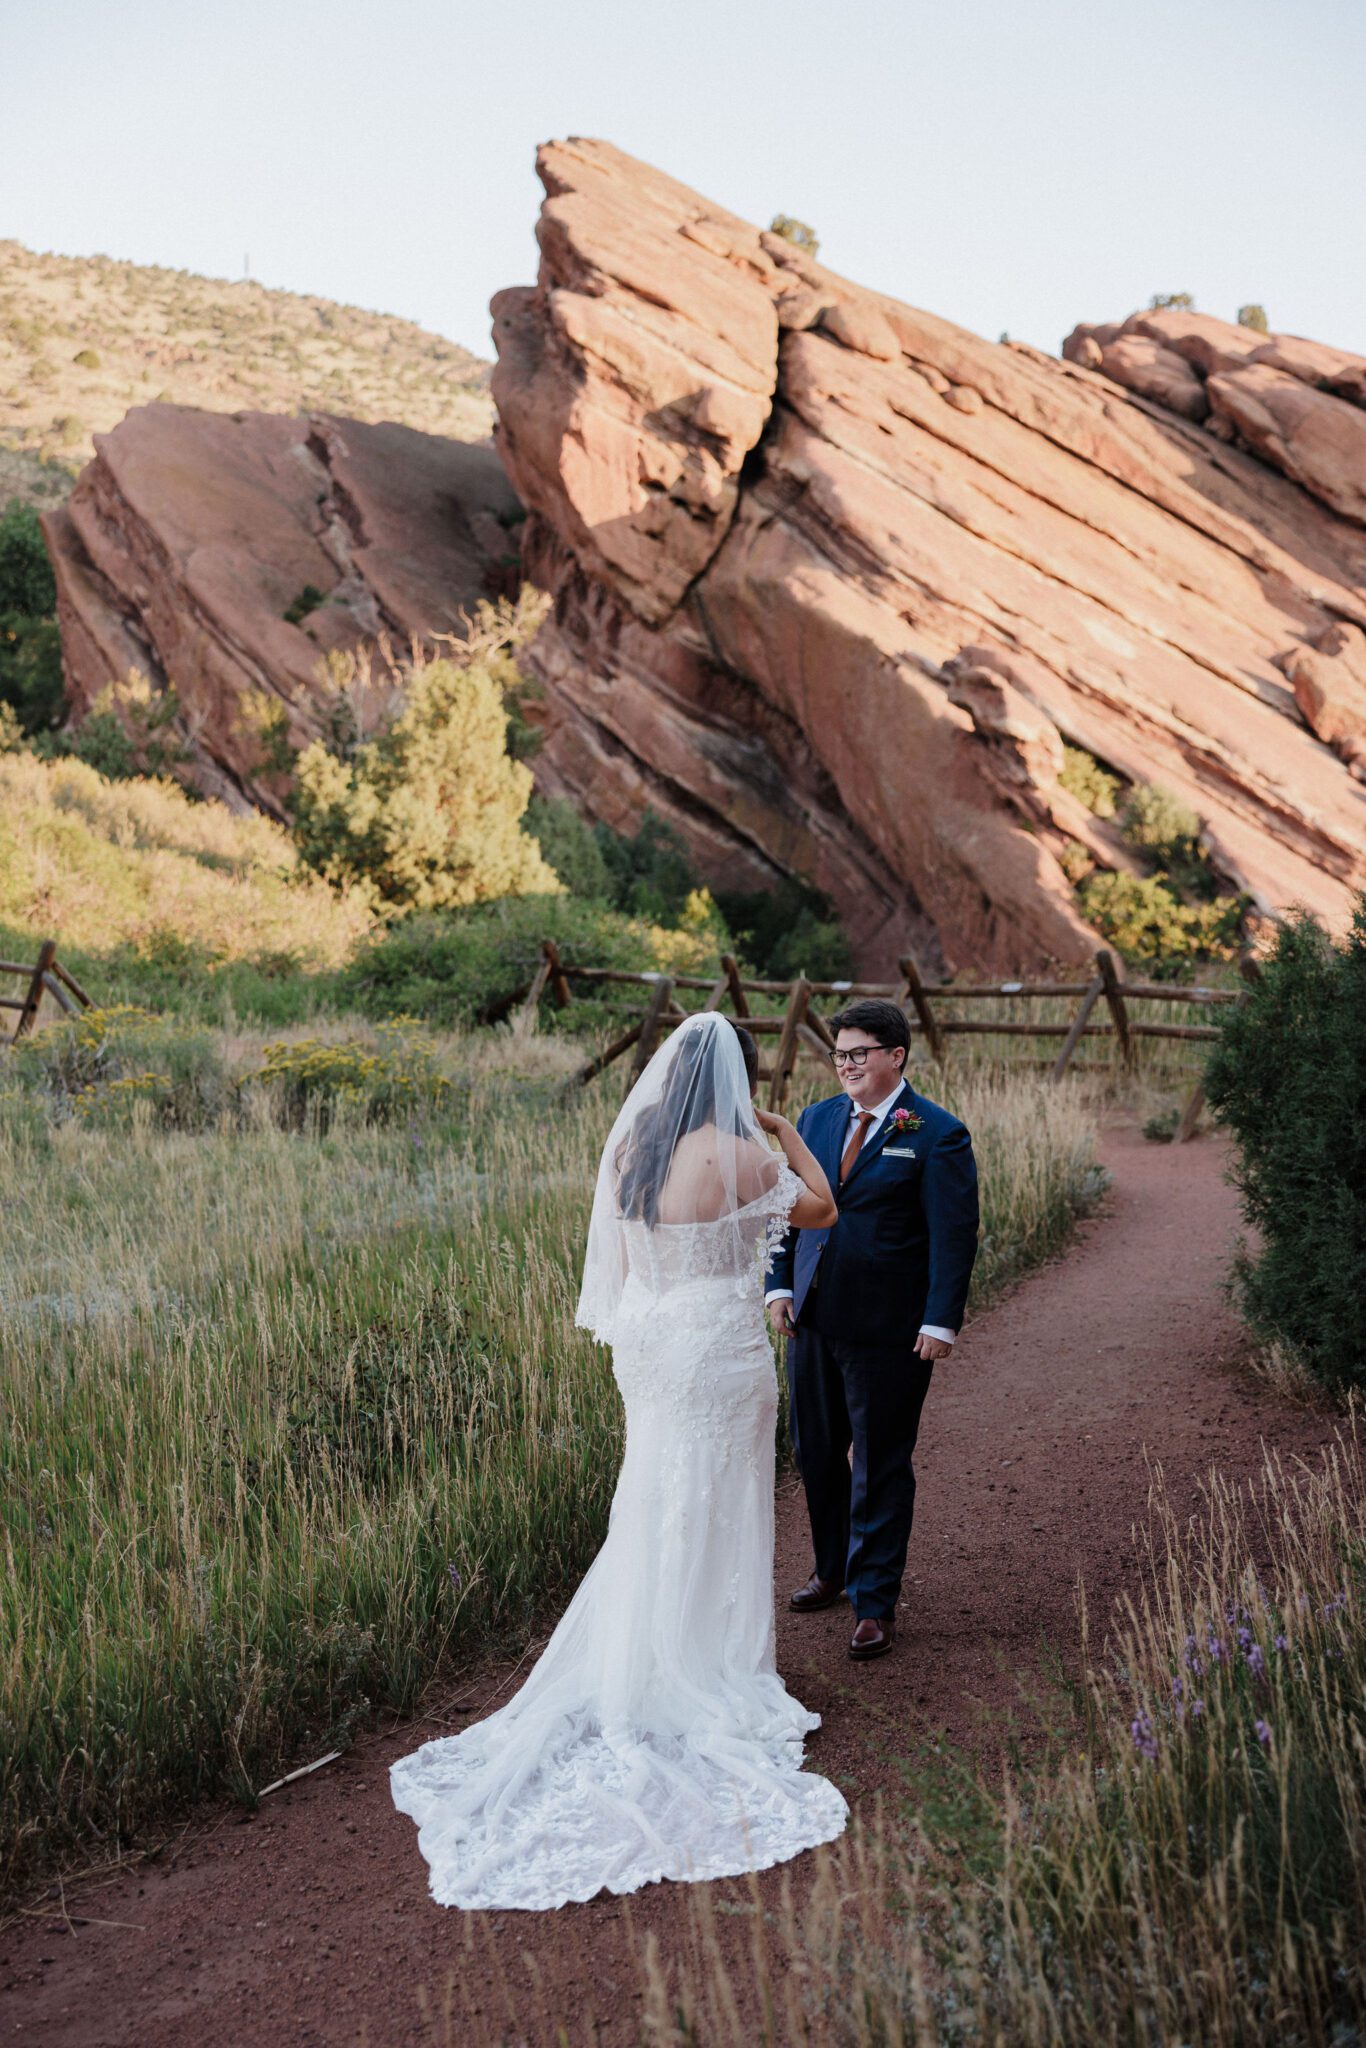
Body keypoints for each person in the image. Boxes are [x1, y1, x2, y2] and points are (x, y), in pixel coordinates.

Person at [391, 1011, 847, 1910]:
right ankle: (708, 1663)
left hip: (648, 1344)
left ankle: (647, 1651)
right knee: (722, 1500)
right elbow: (823, 1208)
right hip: (716, 1346)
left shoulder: (632, 1146)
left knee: (654, 1497)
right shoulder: (746, 1155)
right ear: (737, 1079)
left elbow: (628, 1261)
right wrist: (790, 1132)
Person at [766, 999, 979, 1661]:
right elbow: (785, 1204)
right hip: (814, 1318)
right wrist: (777, 1284)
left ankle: (873, 1601)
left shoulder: (937, 1133)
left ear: (896, 1056)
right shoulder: (814, 1120)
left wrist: (940, 1320)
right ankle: (831, 1570)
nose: (847, 1064)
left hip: (890, 1329)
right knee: (816, 1451)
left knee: (880, 1463)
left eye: (859, 1052)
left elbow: (953, 1236)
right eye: (840, 1054)